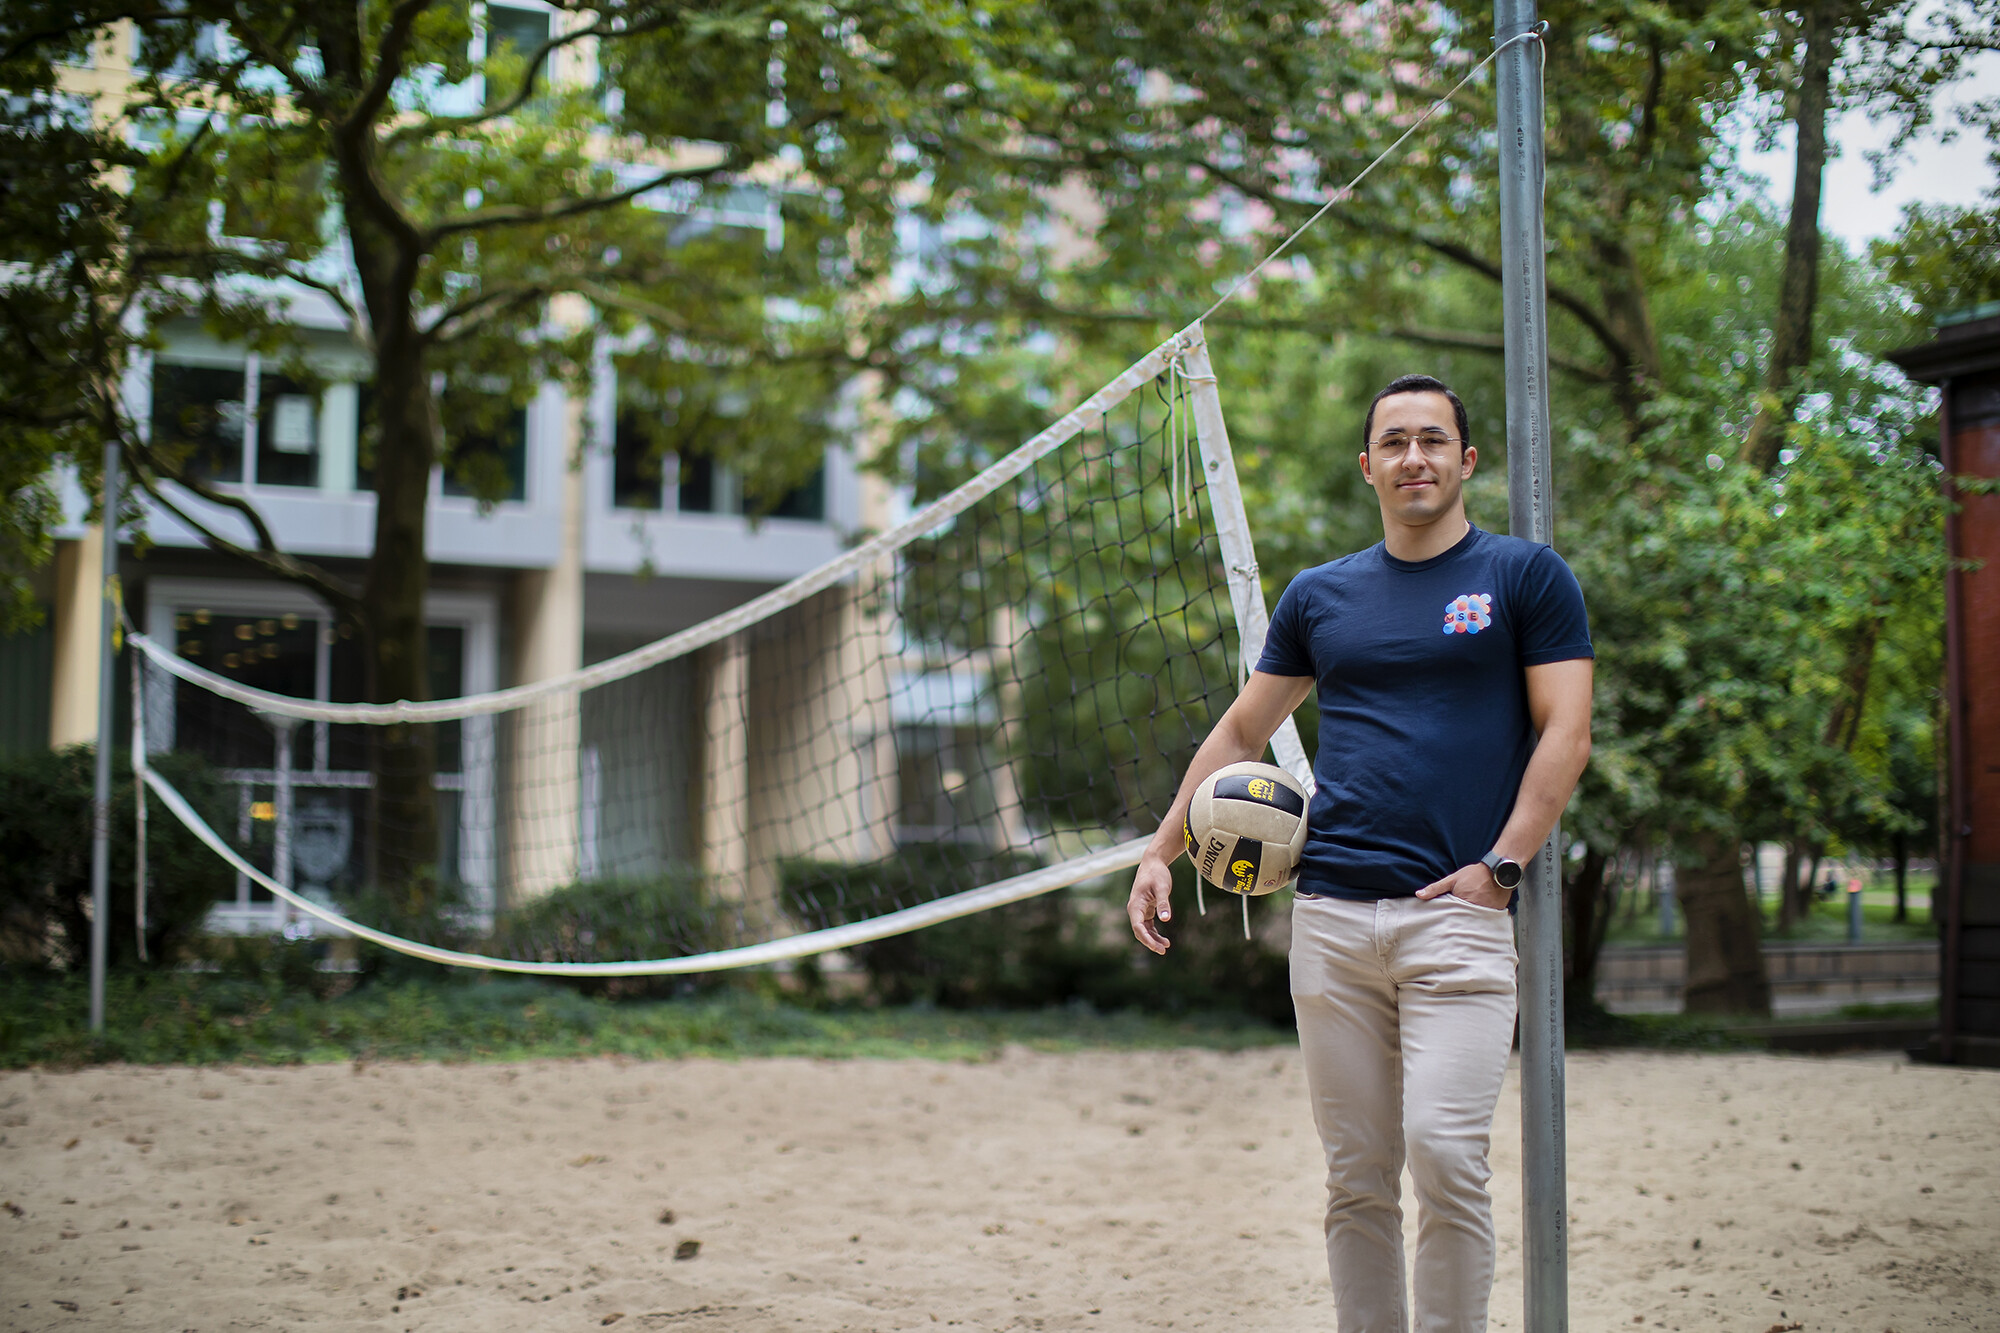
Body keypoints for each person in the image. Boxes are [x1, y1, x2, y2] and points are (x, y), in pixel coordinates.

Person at [1127, 373, 1594, 1333]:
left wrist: (1501, 869)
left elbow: (1567, 734)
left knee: (1445, 1157)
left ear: (1465, 460)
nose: (1413, 457)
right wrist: (1160, 849)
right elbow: (1241, 730)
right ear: (1368, 466)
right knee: (1357, 1179)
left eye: (1432, 440)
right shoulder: (1320, 595)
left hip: (1458, 918)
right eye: (1394, 443)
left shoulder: (1523, 577)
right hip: (1333, 920)